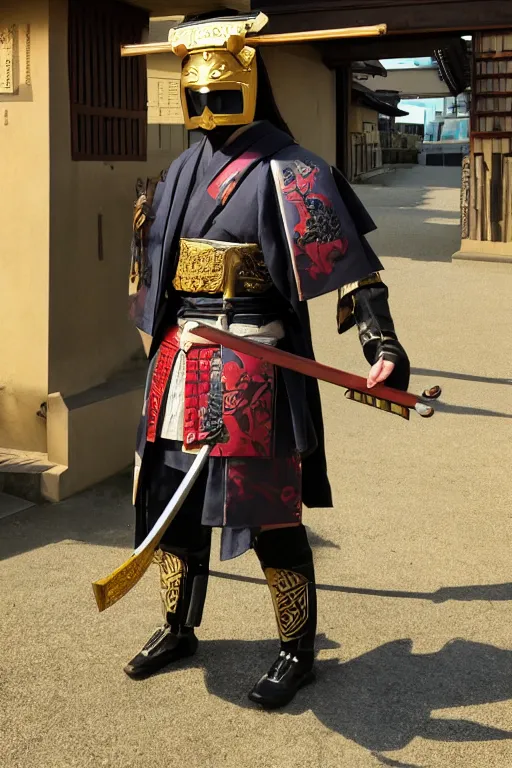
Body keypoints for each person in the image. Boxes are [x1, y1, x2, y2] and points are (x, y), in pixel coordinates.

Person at [123, 11, 410, 709]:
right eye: (197, 98)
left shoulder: (293, 170)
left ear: (251, 85)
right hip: (181, 359)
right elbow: (148, 264)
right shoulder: (180, 171)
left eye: (222, 94)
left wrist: (381, 343)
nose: (209, 110)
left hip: (252, 359)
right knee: (172, 507)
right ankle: (177, 626)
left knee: (268, 513)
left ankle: (297, 647)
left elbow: (351, 270)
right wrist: (152, 337)